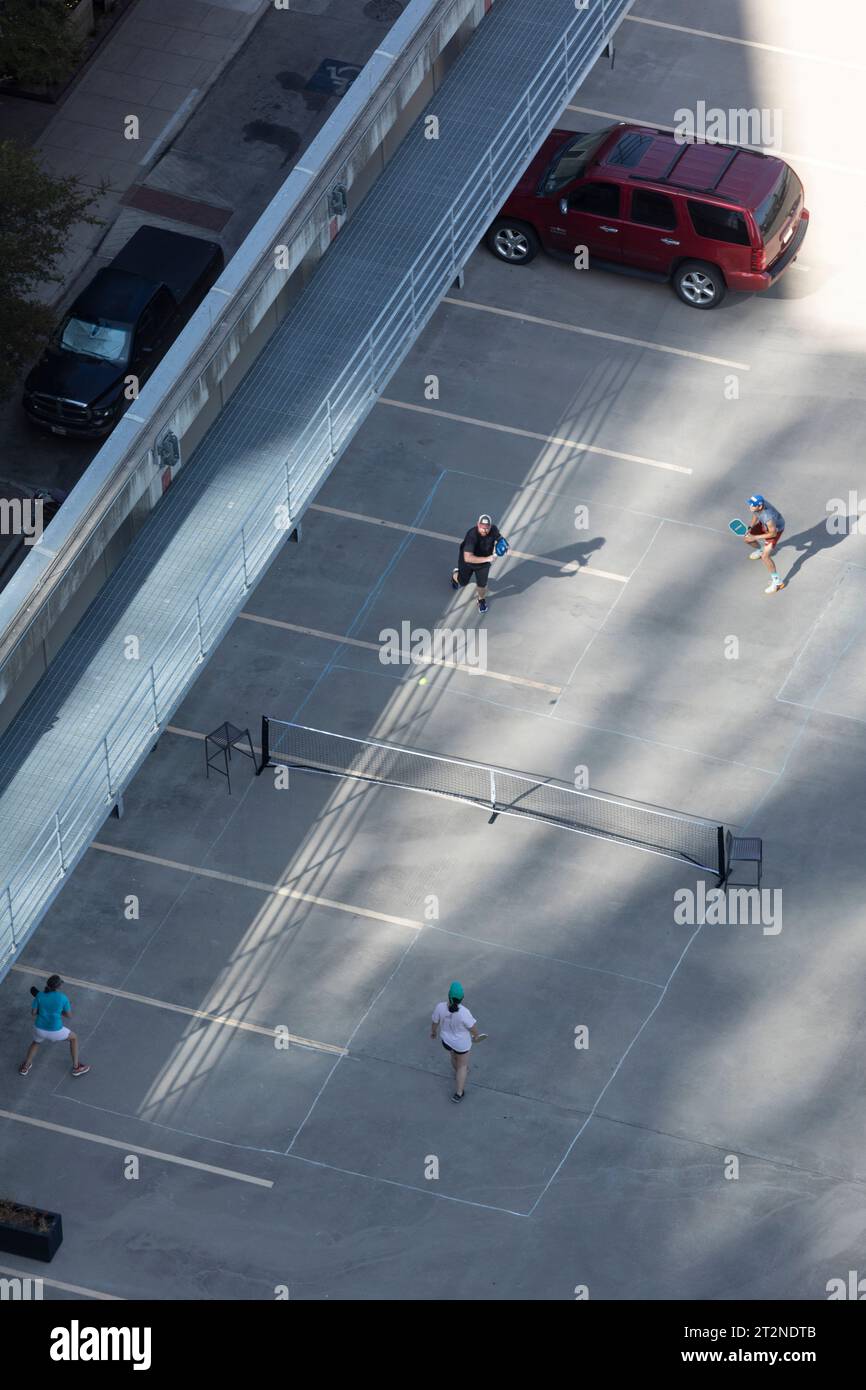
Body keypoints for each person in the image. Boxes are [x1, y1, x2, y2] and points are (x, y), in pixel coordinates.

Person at [19, 975, 90, 1077]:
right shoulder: (63, 998)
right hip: (56, 1031)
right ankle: (76, 1067)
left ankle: (25, 1067)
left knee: (36, 1042)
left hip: (39, 1029)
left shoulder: (39, 996)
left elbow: (33, 1013)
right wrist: (58, 1012)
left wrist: (45, 1011)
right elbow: (69, 1015)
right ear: (59, 986)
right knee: (74, 1038)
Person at [430, 981, 486, 1102]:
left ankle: (459, 1073)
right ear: (462, 998)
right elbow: (473, 1028)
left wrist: (433, 1032)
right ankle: (459, 1093)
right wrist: (476, 1036)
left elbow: (435, 1023)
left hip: (446, 1041)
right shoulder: (464, 1012)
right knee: (463, 1066)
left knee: (453, 1057)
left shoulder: (440, 1007)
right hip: (462, 1045)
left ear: (448, 995)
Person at [451, 513, 502, 614]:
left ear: (490, 526)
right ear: (477, 524)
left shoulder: (494, 530)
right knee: (463, 582)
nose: (484, 530)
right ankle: (454, 575)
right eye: (482, 527)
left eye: (487, 528)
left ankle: (481, 600)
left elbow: (499, 538)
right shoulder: (472, 535)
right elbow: (468, 558)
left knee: (482, 585)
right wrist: (488, 559)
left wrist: (504, 545)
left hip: (483, 564)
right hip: (467, 563)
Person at [743, 494, 785, 593]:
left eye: (753, 505)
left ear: (760, 506)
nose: (750, 507)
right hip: (765, 525)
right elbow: (755, 514)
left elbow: (773, 533)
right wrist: (750, 527)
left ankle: (778, 583)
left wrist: (755, 537)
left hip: (775, 530)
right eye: (750, 504)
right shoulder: (757, 508)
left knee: (765, 556)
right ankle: (760, 550)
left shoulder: (767, 517)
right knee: (747, 538)